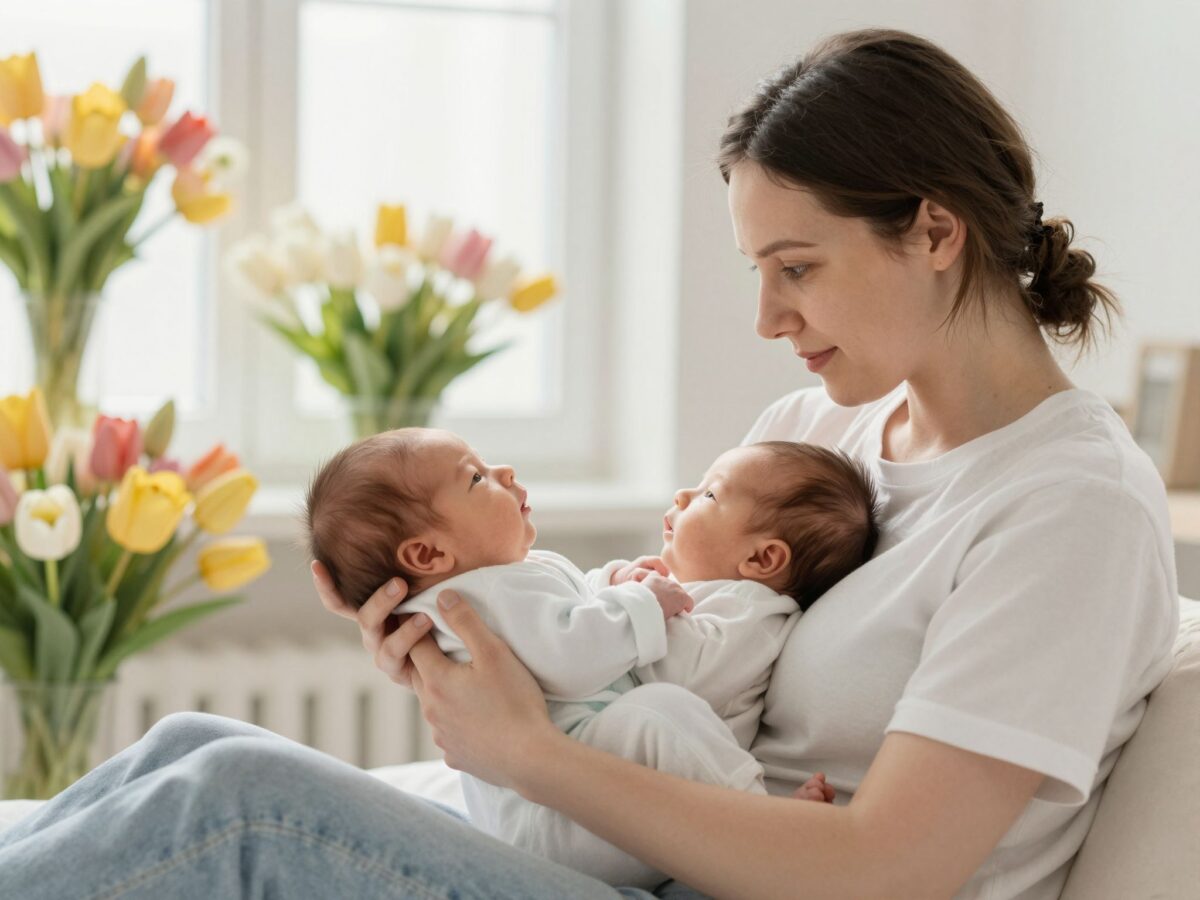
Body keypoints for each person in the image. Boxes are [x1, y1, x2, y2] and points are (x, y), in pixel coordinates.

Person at [0, 27, 1179, 900]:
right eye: (755, 271)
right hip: (650, 862)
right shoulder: (822, 433)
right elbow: (654, 643)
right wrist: (467, 647)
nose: (769, 315)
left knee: (231, 809)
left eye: (799, 268)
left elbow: (891, 870)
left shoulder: (1068, 507)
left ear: (933, 230)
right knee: (198, 746)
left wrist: (521, 755)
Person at [303, 427, 877, 886]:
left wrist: (623, 589)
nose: (505, 473)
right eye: (477, 479)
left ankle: (767, 831)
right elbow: (571, 653)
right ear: (428, 552)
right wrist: (638, 599)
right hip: (551, 824)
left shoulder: (506, 582)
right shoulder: (483, 593)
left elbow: (577, 610)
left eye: (706, 494)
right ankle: (762, 819)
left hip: (567, 805)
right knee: (659, 712)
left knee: (660, 710)